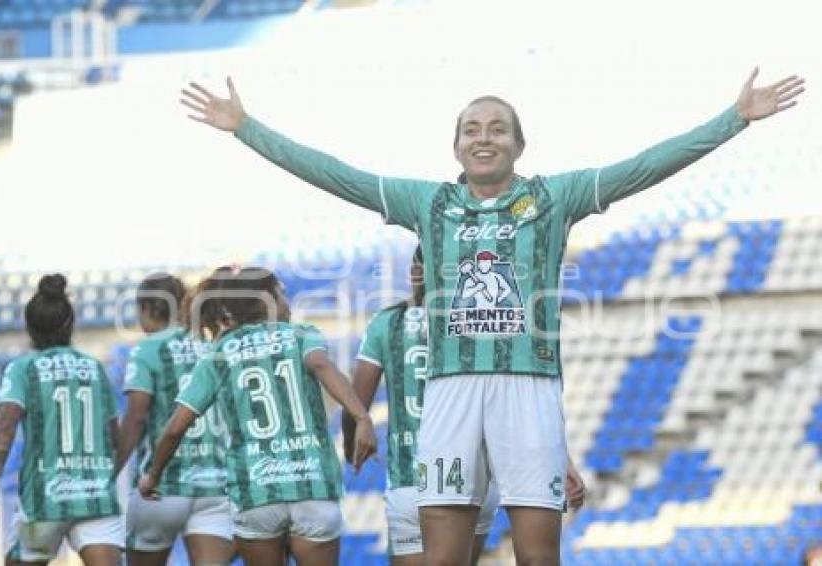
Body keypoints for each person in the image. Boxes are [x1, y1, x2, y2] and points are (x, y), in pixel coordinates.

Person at [179, 69, 804, 566]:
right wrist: (246, 128)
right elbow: (337, 176)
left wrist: (734, 120)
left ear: (518, 144)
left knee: (538, 553)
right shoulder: (428, 202)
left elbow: (643, 167)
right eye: (472, 128)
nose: (484, 136)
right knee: (443, 556)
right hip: (449, 393)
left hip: (527, 388)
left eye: (498, 128)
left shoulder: (553, 197)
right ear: (456, 144)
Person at [343, 248, 587, 565]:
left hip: (409, 478)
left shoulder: (387, 323)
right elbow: (516, 395)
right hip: (470, 477)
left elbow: (356, 404)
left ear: (414, 274)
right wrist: (560, 456)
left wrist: (352, 443)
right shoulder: (479, 322)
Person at [138, 266, 378, 566]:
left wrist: (153, 476)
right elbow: (322, 367)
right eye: (283, 295)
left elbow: (175, 428)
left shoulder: (218, 352)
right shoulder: (302, 334)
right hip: (312, 486)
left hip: (255, 492)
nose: (288, 303)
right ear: (267, 300)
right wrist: (362, 417)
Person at [0, 274, 123, 565]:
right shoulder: (94, 368)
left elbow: (6, 423)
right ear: (70, 324)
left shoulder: (23, 368)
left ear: (29, 328)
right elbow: (114, 436)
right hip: (96, 497)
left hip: (46, 498)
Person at [116, 273, 232, 566]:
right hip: (214, 485)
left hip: (161, 486)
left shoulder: (147, 349)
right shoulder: (212, 346)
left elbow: (136, 418)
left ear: (145, 309)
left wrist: (110, 470)